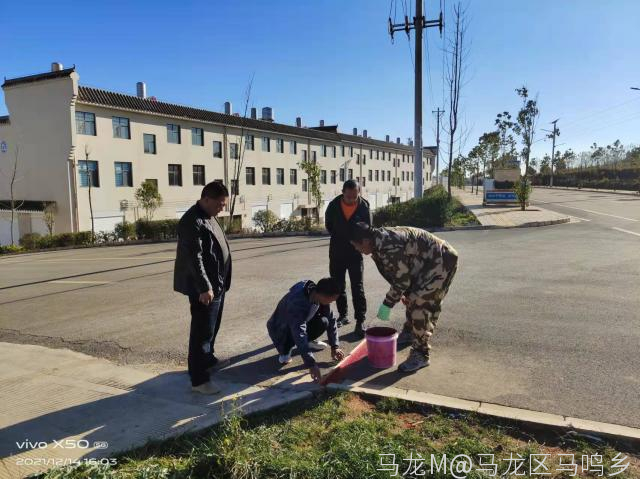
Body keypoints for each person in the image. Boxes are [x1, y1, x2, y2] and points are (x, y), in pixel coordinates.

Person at [349, 222, 458, 373]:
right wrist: (406, 293)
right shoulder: (377, 242)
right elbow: (402, 274)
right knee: (411, 297)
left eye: (356, 245)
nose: (356, 249)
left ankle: (421, 354)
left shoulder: (388, 246)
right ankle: (410, 332)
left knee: (421, 304)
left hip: (441, 261)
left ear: (365, 241)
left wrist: (387, 303)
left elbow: (402, 280)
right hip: (424, 263)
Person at [174, 181, 232, 395]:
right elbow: (194, 258)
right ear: (206, 199)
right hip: (204, 288)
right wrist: (204, 287)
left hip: (217, 284)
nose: (222, 208)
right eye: (219, 204)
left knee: (212, 328)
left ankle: (208, 360)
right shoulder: (192, 221)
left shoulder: (209, 215)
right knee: (201, 333)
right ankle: (199, 380)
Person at [267, 278, 346, 383]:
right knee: (285, 358)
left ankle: (307, 342)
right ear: (323, 295)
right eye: (331, 300)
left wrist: (334, 346)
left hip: (300, 323)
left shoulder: (316, 293)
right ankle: (286, 348)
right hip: (282, 329)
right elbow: (299, 333)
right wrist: (311, 364)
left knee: (324, 321)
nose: (332, 302)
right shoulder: (296, 303)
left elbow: (331, 320)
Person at [324, 180, 372, 337]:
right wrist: (341, 236)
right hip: (337, 251)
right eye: (349, 196)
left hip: (355, 253)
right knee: (338, 285)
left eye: (355, 196)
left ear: (359, 192)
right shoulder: (333, 205)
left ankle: (360, 320)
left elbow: (368, 229)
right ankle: (343, 316)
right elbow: (329, 225)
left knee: (357, 287)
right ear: (343, 192)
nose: (352, 199)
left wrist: (362, 244)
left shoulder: (364, 206)